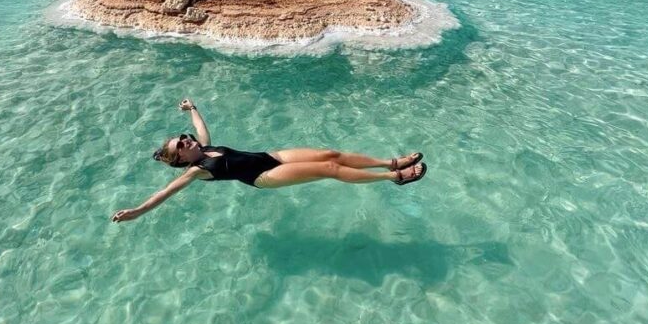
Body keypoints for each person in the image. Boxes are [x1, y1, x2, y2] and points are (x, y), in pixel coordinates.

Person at [112, 99, 426, 222]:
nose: (187, 139)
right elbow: (165, 193)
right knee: (329, 169)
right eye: (181, 144)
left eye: (183, 137)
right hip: (263, 177)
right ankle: (393, 178)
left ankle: (389, 163)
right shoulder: (196, 171)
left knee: (331, 154)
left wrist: (192, 108)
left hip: (270, 156)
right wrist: (137, 211)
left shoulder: (205, 147)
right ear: (180, 156)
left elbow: (201, 128)